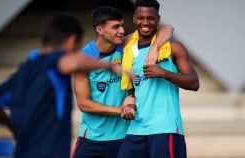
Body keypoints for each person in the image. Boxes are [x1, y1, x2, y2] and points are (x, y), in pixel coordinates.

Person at [0, 13, 122, 158]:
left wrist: (12, 125)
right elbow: (71, 62)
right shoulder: (54, 62)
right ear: (71, 41)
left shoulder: (23, 71)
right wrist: (109, 66)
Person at [72, 6, 174, 158]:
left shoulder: (125, 45)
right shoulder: (84, 58)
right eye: (115, 27)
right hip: (91, 139)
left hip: (124, 139)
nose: (121, 31)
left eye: (122, 26)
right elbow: (83, 104)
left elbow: (167, 28)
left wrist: (154, 48)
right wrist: (120, 110)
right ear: (100, 29)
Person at [118, 0, 199, 158]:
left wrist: (164, 73)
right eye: (141, 18)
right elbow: (135, 85)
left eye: (151, 18)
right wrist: (130, 100)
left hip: (165, 127)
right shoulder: (127, 47)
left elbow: (194, 83)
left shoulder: (173, 47)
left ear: (158, 19)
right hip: (136, 127)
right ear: (134, 18)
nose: (145, 22)